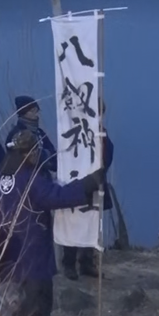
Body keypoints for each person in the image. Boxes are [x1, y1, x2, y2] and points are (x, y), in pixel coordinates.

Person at [0, 130, 103, 316]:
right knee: (33, 313)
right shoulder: (30, 178)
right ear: (29, 154)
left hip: (5, 258)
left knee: (10, 309)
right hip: (32, 258)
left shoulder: (0, 179)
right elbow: (54, 196)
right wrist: (87, 184)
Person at [61, 114, 115, 281]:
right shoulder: (78, 130)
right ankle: (69, 264)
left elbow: (108, 155)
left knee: (92, 224)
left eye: (101, 113)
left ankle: (86, 263)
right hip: (78, 183)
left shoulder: (102, 133)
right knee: (74, 222)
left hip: (96, 183)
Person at [9, 96, 58, 176]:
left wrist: (45, 157)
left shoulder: (40, 133)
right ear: (23, 113)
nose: (36, 114)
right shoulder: (15, 134)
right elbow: (18, 159)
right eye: (32, 111)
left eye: (36, 110)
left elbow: (54, 159)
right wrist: (43, 155)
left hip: (43, 178)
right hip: (25, 180)